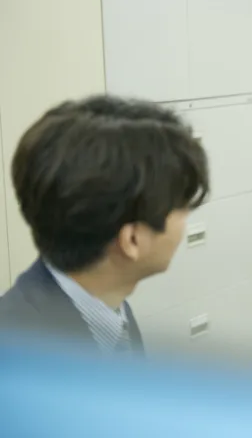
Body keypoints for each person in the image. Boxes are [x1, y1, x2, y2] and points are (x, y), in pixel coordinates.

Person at [0, 95, 209, 356]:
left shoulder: (106, 304)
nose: (187, 215)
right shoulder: (19, 359)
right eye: (180, 204)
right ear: (132, 240)